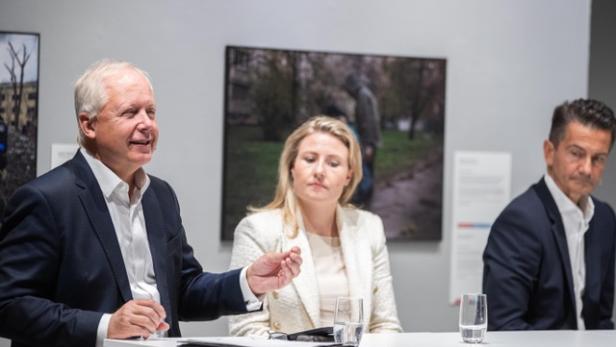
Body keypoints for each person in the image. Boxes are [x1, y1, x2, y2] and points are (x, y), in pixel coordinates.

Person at [0, 60, 302, 347]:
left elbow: (183, 290)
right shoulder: (46, 200)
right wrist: (106, 326)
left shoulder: (161, 195)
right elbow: (9, 305)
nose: (147, 125)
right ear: (88, 125)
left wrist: (248, 282)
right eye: (130, 113)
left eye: (151, 112)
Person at [228, 116, 401, 336]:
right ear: (292, 167)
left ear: (349, 175)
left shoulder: (370, 227)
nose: (319, 170)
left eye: (333, 163)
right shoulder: (257, 230)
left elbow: (386, 325)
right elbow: (247, 330)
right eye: (310, 159)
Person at [483, 99, 616, 330]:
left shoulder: (604, 218)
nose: (586, 168)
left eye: (598, 159)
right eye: (576, 153)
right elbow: (505, 328)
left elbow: (602, 319)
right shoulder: (519, 221)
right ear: (549, 152)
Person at [343, 74, 381, 204]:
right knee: (368, 167)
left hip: (368, 140)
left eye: (348, 89)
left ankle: (364, 197)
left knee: (365, 168)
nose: (348, 93)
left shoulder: (362, 96)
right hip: (370, 139)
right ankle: (367, 196)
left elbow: (368, 121)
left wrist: (369, 144)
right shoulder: (365, 94)